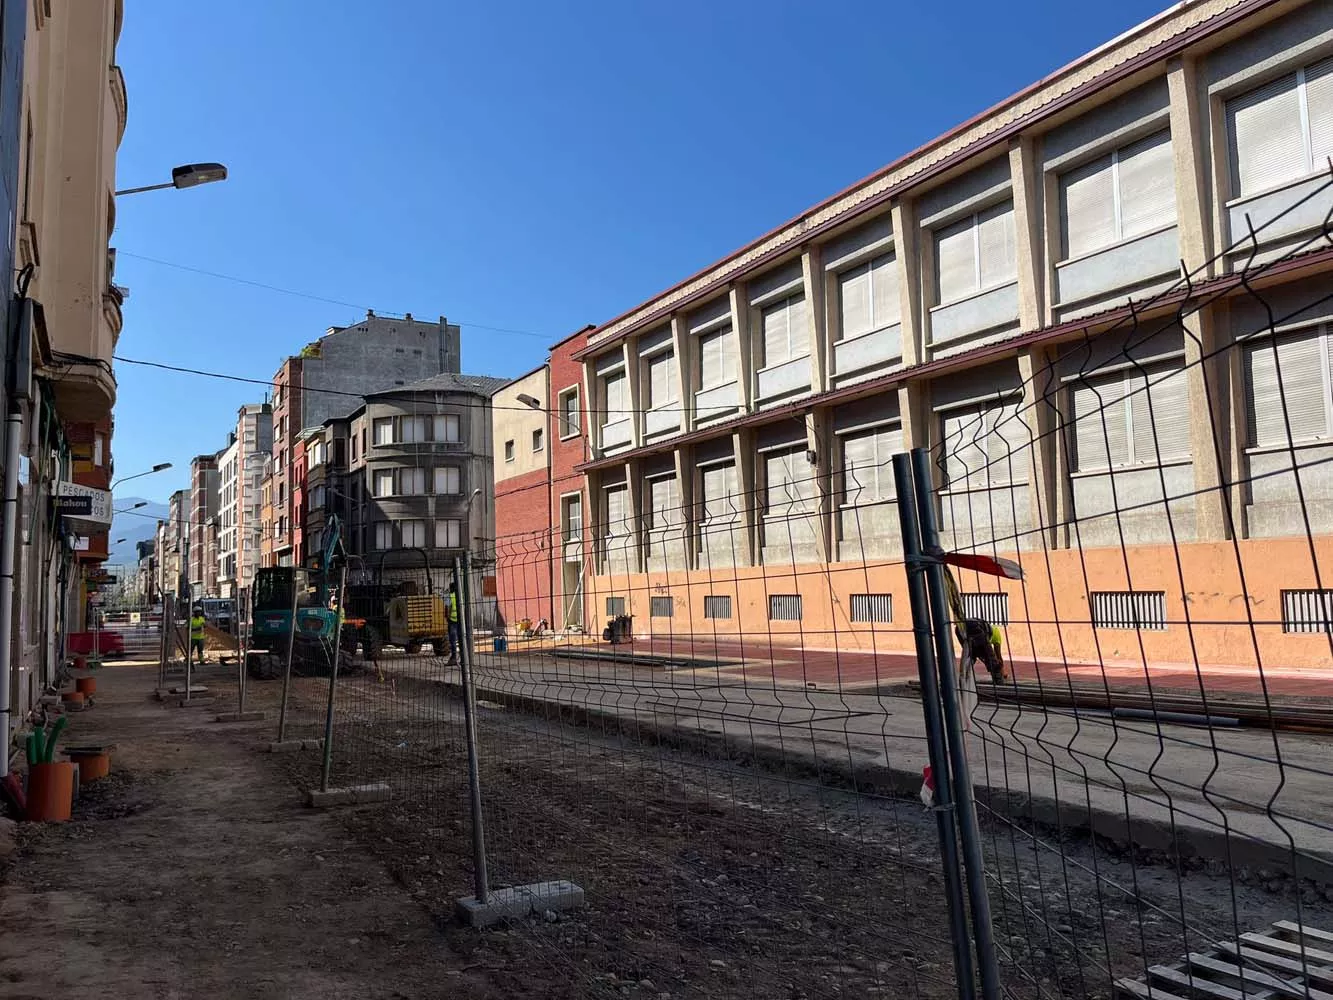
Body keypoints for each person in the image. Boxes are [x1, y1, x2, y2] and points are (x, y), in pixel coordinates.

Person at [445, 578, 461, 666]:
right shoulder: (461, 595)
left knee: (453, 640)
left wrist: (447, 617)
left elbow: (447, 608)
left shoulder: (450, 596)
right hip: (460, 621)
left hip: (452, 621)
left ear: (451, 588)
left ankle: (453, 658)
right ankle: (464, 659)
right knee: (461, 640)